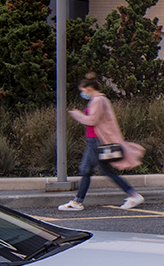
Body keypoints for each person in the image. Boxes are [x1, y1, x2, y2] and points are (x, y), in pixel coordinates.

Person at [57, 74, 143, 212]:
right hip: (94, 140)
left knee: (98, 170)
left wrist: (78, 115)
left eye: (83, 90)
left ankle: (133, 194)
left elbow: (92, 120)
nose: (83, 93)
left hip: (97, 141)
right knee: (87, 170)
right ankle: (78, 201)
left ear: (89, 88)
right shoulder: (99, 100)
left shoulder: (98, 100)